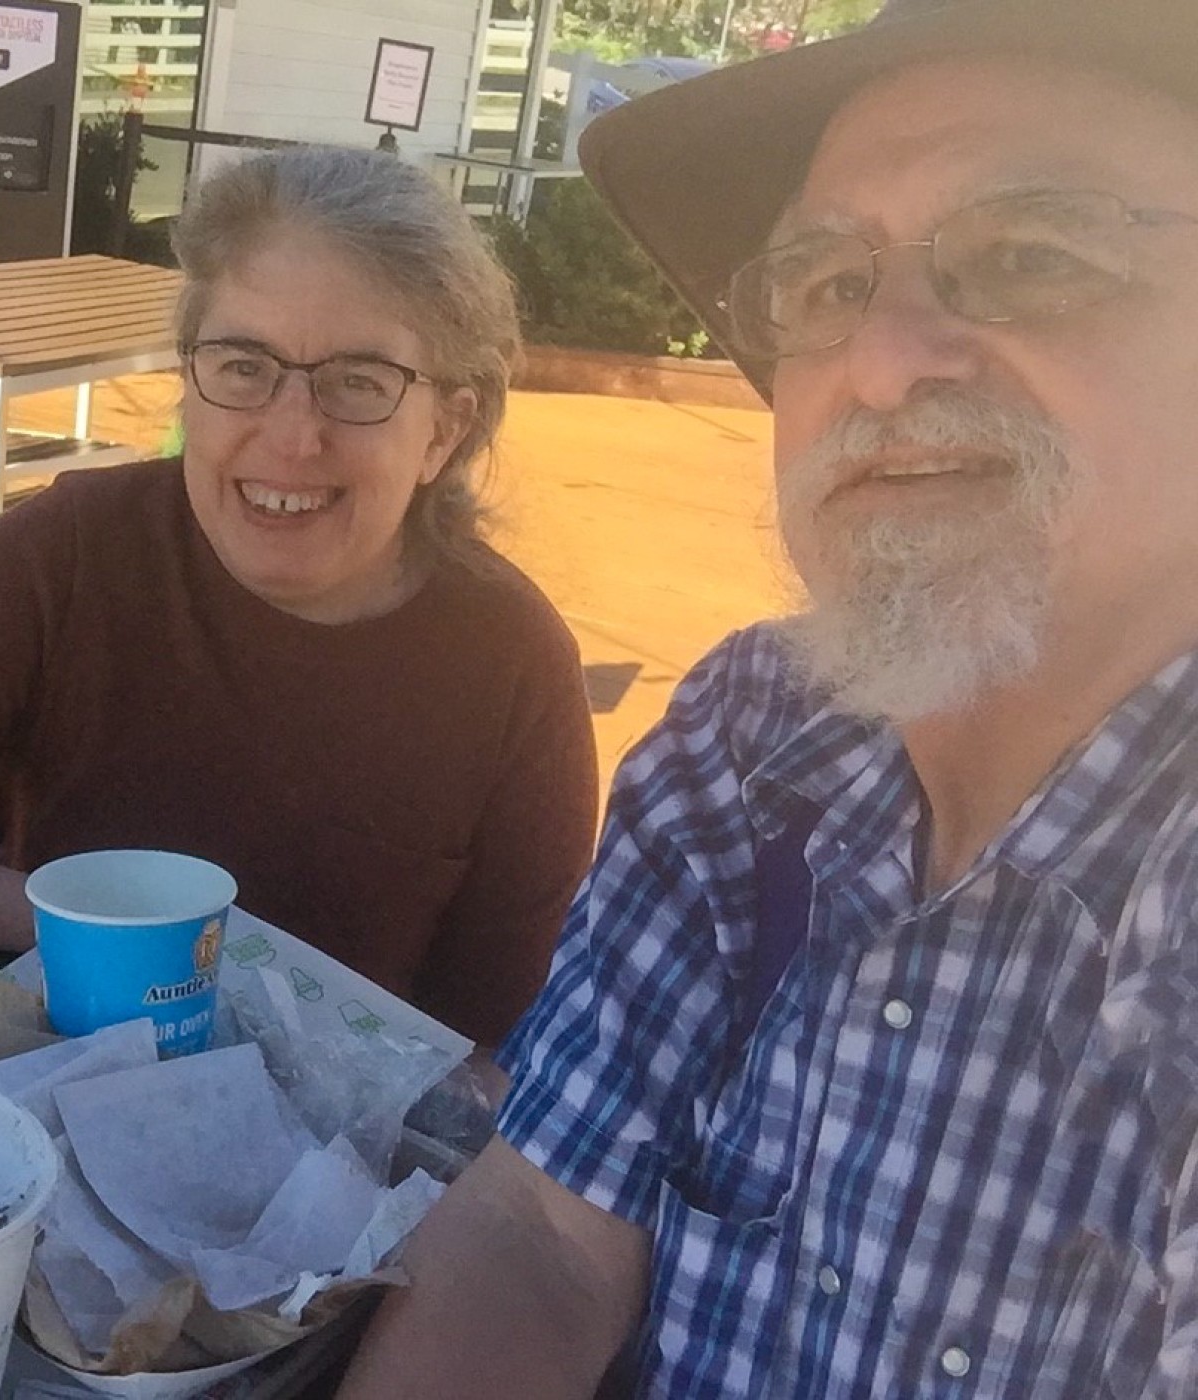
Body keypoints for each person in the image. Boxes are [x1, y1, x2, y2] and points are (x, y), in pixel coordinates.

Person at [338, 0, 1198, 1394]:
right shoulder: (754, 734)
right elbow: (545, 1227)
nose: (883, 361)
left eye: (1034, 254)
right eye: (829, 286)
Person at [0, 145, 598, 1048]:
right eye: (244, 364)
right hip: (21, 1099)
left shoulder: (514, 666)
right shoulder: (72, 551)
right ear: (189, 378)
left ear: (442, 435)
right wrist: (99, 930)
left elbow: (499, 1051)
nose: (292, 438)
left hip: (335, 1157)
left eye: (359, 384)